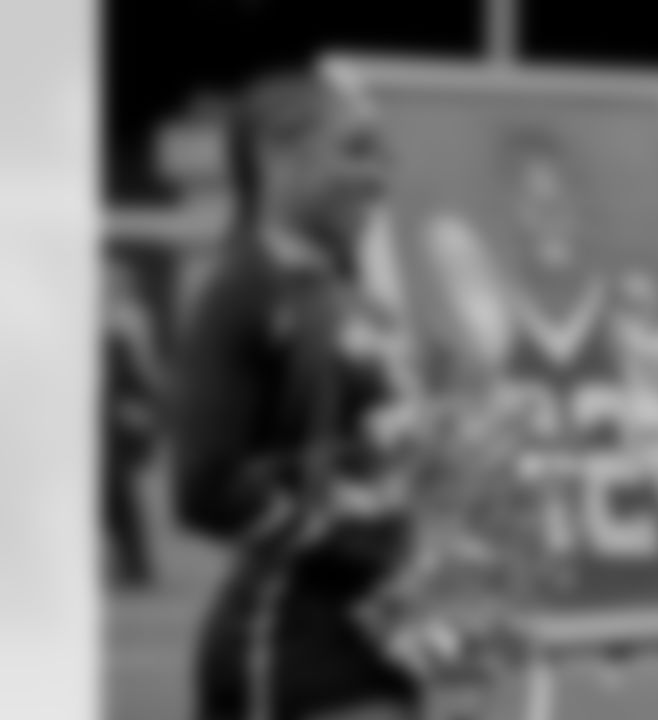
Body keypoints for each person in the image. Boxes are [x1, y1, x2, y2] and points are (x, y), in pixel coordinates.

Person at [174, 69, 426, 720]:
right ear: (277, 157)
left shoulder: (353, 293)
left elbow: (363, 455)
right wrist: (343, 535)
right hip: (289, 643)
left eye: (382, 153)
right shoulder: (242, 290)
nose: (379, 175)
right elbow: (204, 485)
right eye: (356, 150)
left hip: (383, 635)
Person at [102, 258, 165, 589]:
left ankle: (135, 564)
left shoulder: (126, 323)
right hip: (106, 424)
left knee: (118, 496)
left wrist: (144, 408)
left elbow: (142, 373)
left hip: (114, 425)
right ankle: (129, 563)